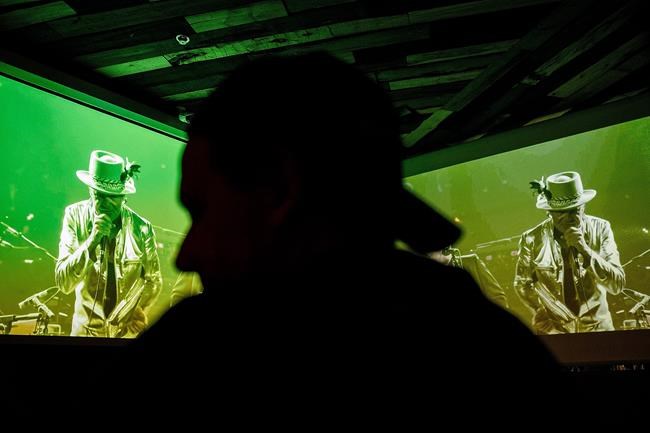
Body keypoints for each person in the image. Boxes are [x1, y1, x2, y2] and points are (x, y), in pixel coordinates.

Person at [109, 53, 559, 421]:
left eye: (203, 211)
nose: (187, 254)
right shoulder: (495, 350)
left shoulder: (195, 353)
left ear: (282, 189)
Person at [55, 150, 162, 337]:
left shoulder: (142, 228)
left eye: (112, 196)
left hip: (124, 336)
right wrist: (91, 241)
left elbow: (154, 280)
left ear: (124, 197)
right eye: (99, 196)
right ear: (90, 191)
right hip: (83, 335)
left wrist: (138, 308)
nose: (105, 203)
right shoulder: (74, 215)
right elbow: (64, 283)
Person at [514, 171, 625, 334]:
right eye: (562, 212)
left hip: (600, 332)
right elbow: (522, 283)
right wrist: (539, 310)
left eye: (575, 210)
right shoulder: (531, 239)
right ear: (549, 212)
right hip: (555, 334)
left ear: (584, 206)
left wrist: (586, 250)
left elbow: (617, 285)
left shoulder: (601, 228)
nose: (570, 218)